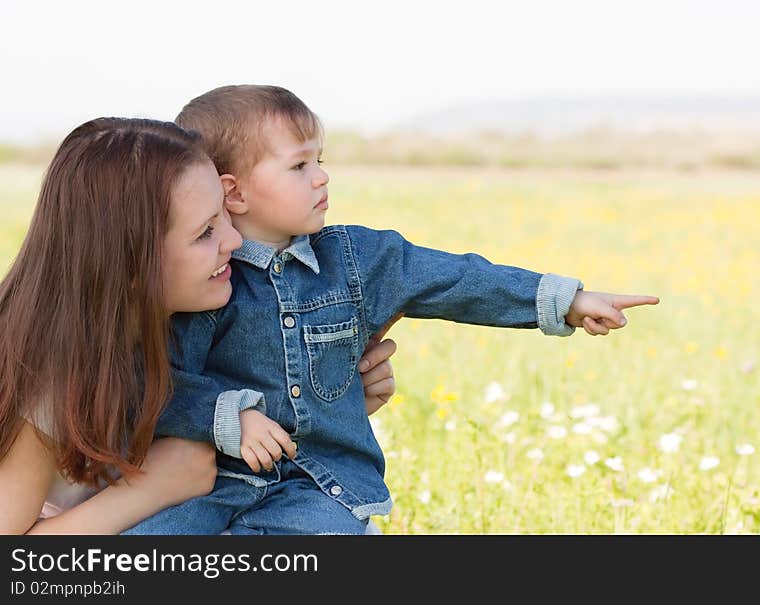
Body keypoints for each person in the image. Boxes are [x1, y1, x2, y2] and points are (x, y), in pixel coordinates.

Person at [123, 85, 661, 535]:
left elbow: (454, 278)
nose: (321, 177)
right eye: (298, 165)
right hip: (210, 483)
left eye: (320, 160)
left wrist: (565, 301)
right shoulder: (205, 280)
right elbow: (158, 380)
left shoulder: (358, 258)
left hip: (321, 486)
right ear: (233, 192)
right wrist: (227, 413)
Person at [0, 117, 400, 534]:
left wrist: (332, 399)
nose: (235, 241)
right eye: (205, 232)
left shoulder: (195, 324)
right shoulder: (43, 376)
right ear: (130, 266)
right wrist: (153, 487)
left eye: (225, 216)